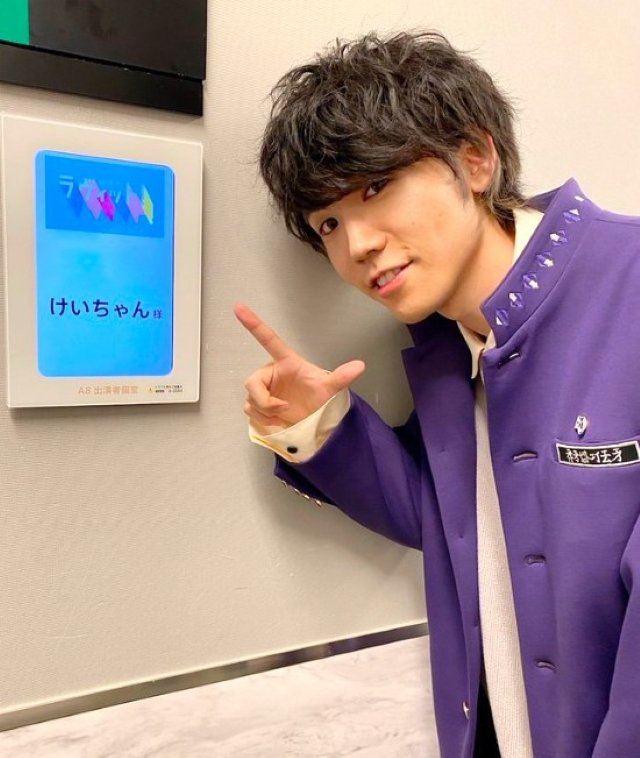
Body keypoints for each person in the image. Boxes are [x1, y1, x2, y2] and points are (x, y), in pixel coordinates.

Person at [235, 31, 640, 758]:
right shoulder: (450, 342)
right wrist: (315, 425)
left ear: (476, 159)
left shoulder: (628, 281)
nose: (356, 244)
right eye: (329, 223)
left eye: (375, 187)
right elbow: (446, 518)